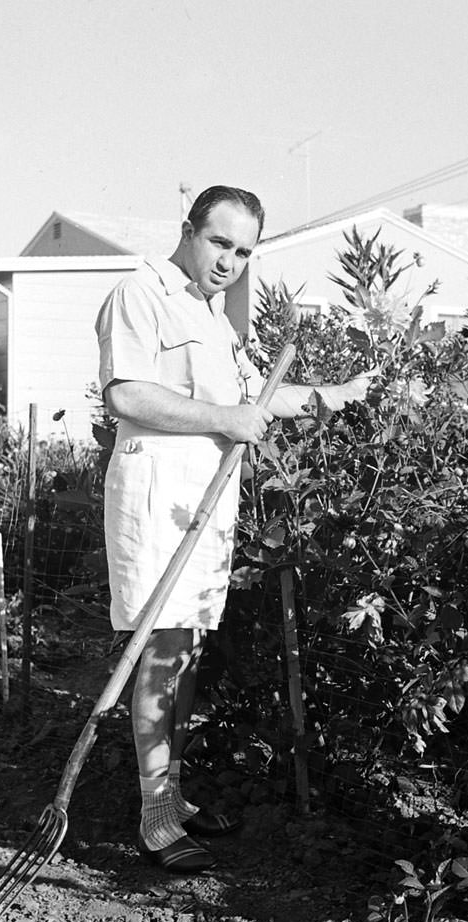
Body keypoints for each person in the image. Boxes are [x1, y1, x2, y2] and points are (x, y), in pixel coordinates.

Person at [95, 185, 372, 873]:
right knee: (161, 654)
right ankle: (155, 818)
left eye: (244, 251)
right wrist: (225, 420)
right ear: (189, 231)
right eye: (220, 243)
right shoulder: (141, 294)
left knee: (184, 654)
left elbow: (252, 399)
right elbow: (126, 393)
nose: (230, 261)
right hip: (159, 495)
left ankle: (172, 795)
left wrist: (334, 397)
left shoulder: (215, 316)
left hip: (204, 501)